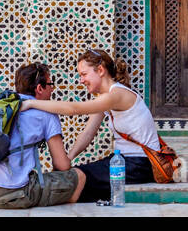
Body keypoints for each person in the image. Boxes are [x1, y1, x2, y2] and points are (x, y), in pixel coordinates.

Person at [21, 48, 159, 202]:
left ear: (100, 70)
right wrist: (68, 159)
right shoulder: (105, 97)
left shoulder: (116, 95)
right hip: (125, 162)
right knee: (74, 175)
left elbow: (74, 109)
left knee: (78, 179)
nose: (81, 80)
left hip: (139, 164)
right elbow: (88, 133)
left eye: (84, 74)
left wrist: (32, 103)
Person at [0, 62, 86, 209]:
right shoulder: (47, 114)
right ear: (39, 88)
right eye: (50, 84)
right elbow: (62, 165)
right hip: (12, 195)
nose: (53, 88)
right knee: (79, 176)